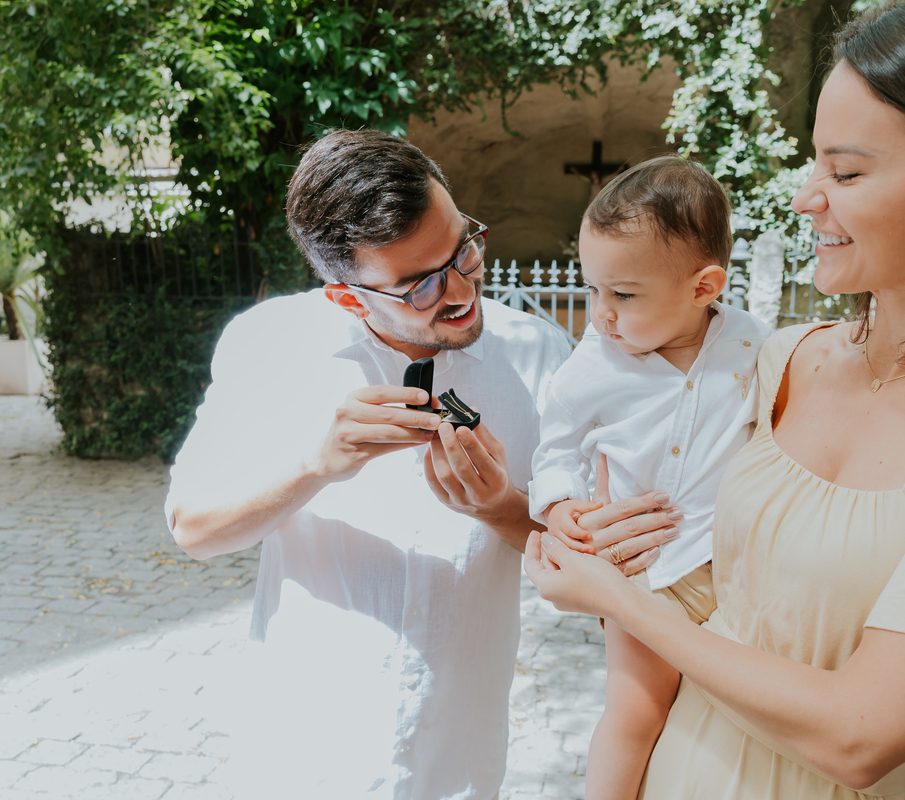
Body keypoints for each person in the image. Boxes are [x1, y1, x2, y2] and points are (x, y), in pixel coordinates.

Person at [525, 1, 905, 798]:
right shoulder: (785, 360)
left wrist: (618, 602)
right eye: (815, 165)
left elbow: (860, 736)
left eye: (846, 172)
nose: (806, 197)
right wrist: (556, 524)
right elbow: (703, 568)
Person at [164, 129, 677, 799]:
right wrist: (318, 465)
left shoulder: (542, 359)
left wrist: (500, 509)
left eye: (464, 247)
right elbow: (194, 531)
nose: (462, 287)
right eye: (421, 285)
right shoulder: (269, 345)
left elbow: (589, 568)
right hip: (302, 759)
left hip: (455, 762)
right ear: (348, 298)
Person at [528, 156, 771, 799]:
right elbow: (553, 454)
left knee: (721, 717)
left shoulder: (754, 346)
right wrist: (559, 511)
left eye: (623, 294)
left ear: (703, 287)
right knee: (638, 711)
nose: (601, 314)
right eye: (592, 290)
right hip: (647, 577)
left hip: (739, 571)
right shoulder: (593, 366)